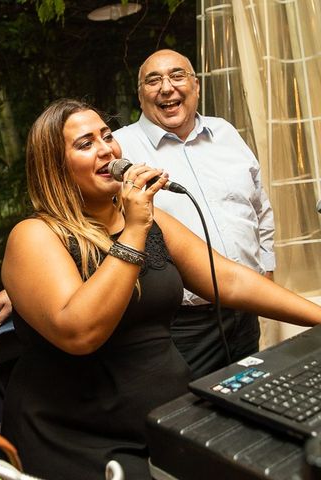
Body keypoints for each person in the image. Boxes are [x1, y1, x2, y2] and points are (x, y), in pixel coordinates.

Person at [0, 98, 321, 479]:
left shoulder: (154, 223)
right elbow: (80, 331)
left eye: (106, 136)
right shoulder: (36, 235)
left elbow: (229, 279)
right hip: (78, 439)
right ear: (54, 168)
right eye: (85, 144)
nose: (106, 148)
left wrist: (317, 316)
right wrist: (135, 229)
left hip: (166, 417)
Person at [112, 49, 275, 379]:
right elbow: (80, 220)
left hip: (244, 313)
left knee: (250, 404)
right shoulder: (119, 148)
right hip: (178, 326)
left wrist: (265, 271)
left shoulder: (225, 133)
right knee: (187, 419)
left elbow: (261, 210)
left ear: (196, 86)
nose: (167, 87)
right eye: (153, 80)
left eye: (177, 75)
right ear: (140, 95)